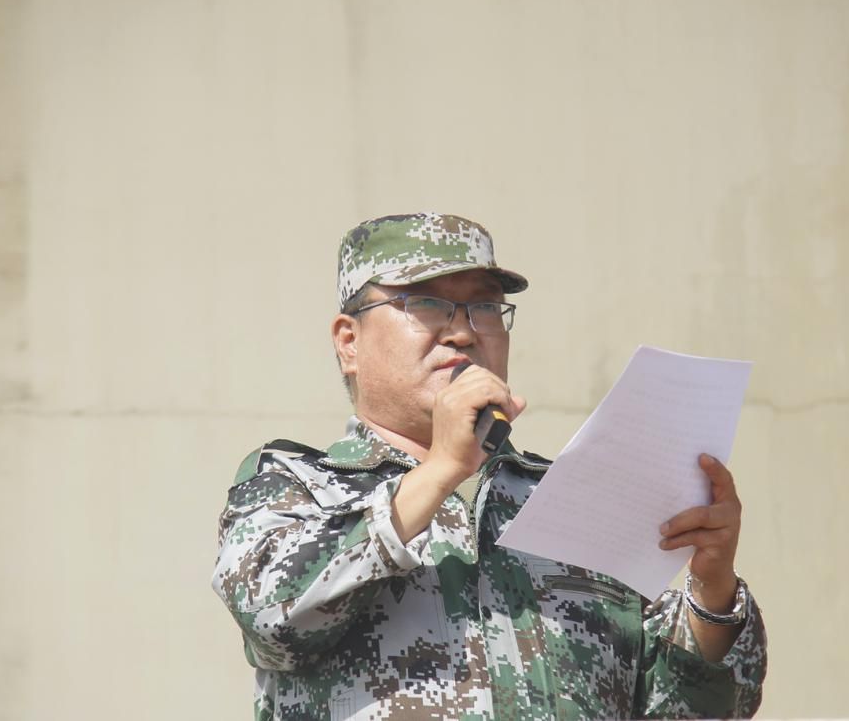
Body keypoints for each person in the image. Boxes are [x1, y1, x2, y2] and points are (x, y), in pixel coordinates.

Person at [211, 212, 767, 720]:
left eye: (484, 307)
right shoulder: (296, 485)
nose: (462, 331)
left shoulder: (575, 496)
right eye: (424, 303)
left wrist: (712, 591)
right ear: (349, 340)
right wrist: (441, 469)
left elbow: (689, 712)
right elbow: (273, 619)